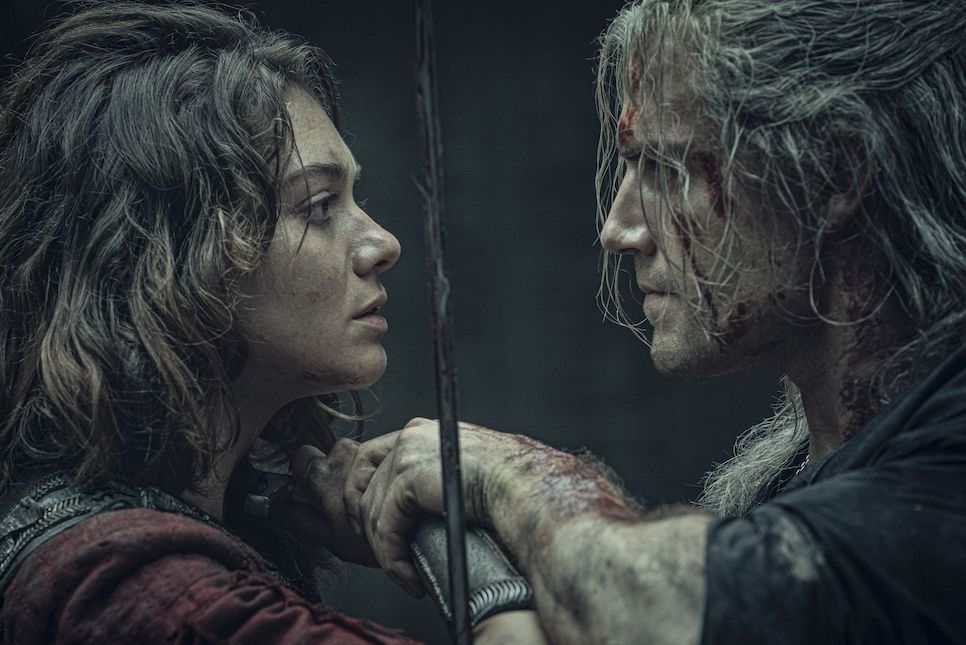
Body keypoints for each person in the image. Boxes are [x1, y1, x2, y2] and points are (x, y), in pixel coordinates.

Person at [302, 0, 966, 642]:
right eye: (630, 166)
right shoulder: (823, 461)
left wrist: (512, 477)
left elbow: (659, 617)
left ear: (833, 173)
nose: (618, 229)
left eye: (668, 168)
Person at [0, 2, 546, 643]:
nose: (383, 243)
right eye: (318, 206)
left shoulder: (169, 541)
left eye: (354, 198)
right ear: (171, 257)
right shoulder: (130, 584)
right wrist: (490, 521)